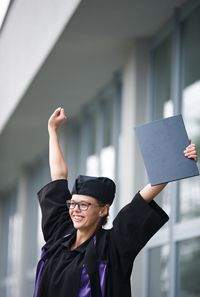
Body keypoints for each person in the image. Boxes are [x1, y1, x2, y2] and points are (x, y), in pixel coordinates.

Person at [33, 107, 198, 297]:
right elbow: (59, 176)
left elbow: (142, 199)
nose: (75, 210)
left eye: (84, 205)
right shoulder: (59, 232)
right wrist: (52, 129)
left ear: (103, 210)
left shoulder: (112, 247)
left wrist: (177, 160)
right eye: (73, 203)